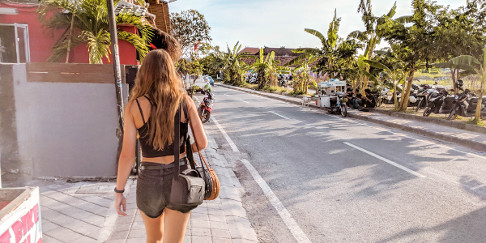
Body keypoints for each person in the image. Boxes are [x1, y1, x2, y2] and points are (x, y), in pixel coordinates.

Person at [114, 49, 208, 243]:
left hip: (149, 180)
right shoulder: (184, 102)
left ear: (145, 73)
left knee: (154, 239)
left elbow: (127, 156)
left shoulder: (134, 106)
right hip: (181, 177)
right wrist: (184, 150)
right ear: (170, 71)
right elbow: (202, 143)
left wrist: (119, 192)